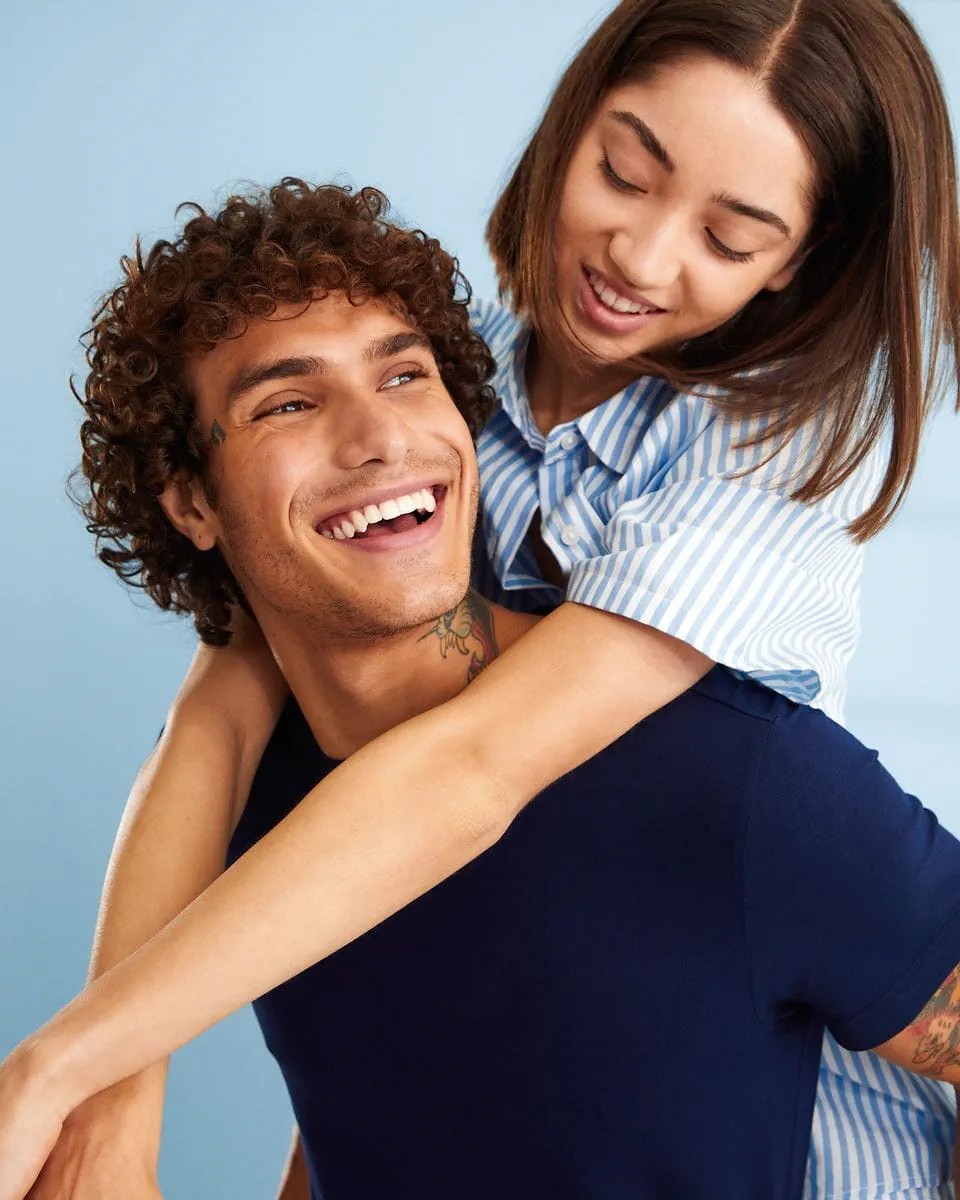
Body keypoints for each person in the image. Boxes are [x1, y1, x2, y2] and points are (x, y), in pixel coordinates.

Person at [12, 0, 960, 1195]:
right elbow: (225, 702)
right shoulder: (454, 402)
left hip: (810, 1127)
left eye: (730, 237)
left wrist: (61, 1067)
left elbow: (473, 775)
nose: (640, 257)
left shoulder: (754, 509)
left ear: (798, 269)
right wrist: (113, 1114)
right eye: (624, 171)